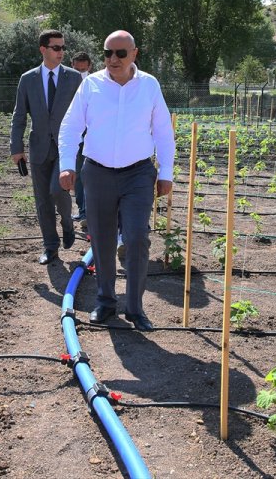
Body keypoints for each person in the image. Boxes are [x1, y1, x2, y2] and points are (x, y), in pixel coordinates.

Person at [58, 30, 175, 332]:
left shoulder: (149, 86)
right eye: (108, 53)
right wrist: (67, 166)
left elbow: (163, 131)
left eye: (120, 53)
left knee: (137, 236)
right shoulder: (91, 86)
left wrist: (166, 173)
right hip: (97, 173)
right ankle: (106, 301)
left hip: (137, 173)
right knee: (103, 239)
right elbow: (70, 127)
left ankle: (135, 308)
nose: (112, 59)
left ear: (135, 54)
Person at [10, 29, 83, 265]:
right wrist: (16, 146)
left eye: (63, 48)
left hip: (66, 147)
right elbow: (19, 114)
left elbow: (85, 114)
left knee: (57, 189)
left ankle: (68, 222)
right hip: (39, 146)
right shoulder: (28, 79)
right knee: (42, 200)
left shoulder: (74, 78)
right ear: (43, 49)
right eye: (56, 48)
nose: (61, 52)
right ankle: (50, 246)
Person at [69, 52, 92, 228]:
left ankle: (88, 212)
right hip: (74, 135)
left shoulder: (95, 84)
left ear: (89, 67)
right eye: (77, 69)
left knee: (89, 174)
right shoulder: (66, 83)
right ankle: (82, 210)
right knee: (76, 174)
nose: (80, 72)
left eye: (83, 69)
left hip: (91, 136)